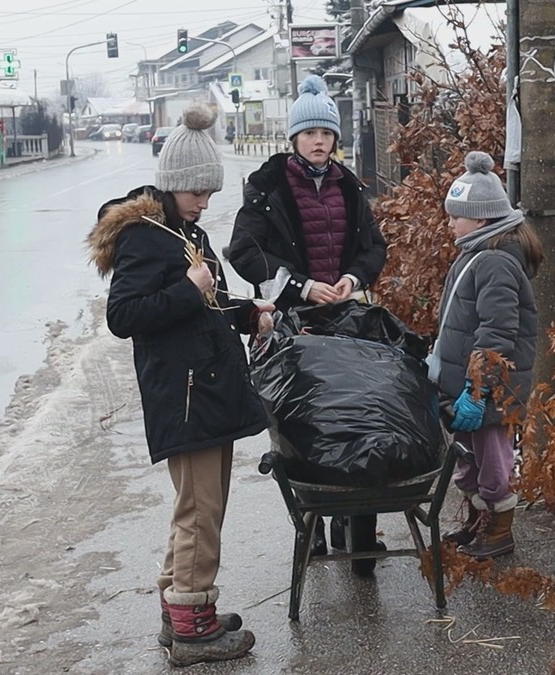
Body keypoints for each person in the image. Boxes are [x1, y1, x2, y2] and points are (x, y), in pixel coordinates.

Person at [86, 104, 272, 667]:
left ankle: (182, 611)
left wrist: (245, 312)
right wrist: (191, 291)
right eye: (197, 191)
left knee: (199, 508)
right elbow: (125, 315)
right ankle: (195, 628)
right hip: (185, 397)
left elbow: (205, 300)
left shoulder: (182, 230)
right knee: (199, 512)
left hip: (207, 390)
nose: (205, 202)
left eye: (210, 193)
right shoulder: (146, 237)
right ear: (171, 185)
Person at [228, 74, 387, 559]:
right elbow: (243, 251)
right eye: (310, 134)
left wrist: (354, 280)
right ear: (294, 139)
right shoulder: (268, 186)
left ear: (335, 141)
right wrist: (300, 285)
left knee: (360, 419)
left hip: (347, 320)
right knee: (305, 426)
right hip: (293, 322)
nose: (319, 142)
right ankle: (313, 523)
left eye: (326, 135)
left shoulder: (350, 186)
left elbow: (373, 247)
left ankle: (359, 528)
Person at [433, 151, 542, 561]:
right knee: (469, 457)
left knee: (493, 461)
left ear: (479, 219)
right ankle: (479, 522)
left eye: (454, 216)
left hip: (489, 390)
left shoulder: (494, 261)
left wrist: (478, 391)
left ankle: (499, 531)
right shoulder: (475, 253)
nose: (449, 224)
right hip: (469, 386)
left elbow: (497, 332)